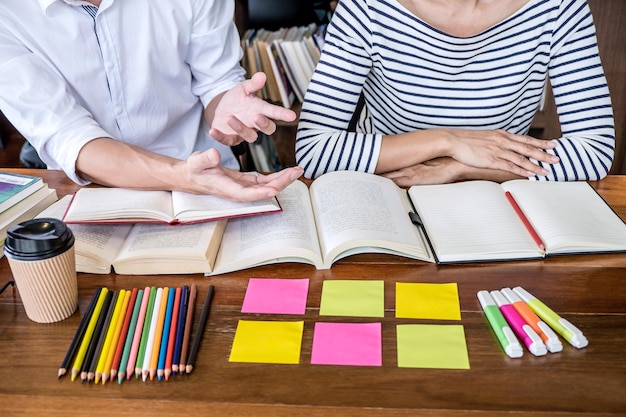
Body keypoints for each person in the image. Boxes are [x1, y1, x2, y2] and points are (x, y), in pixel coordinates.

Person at [0, 0, 303, 202]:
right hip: (90, 196)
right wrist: (182, 175)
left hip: (209, 188)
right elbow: (69, 137)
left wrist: (226, 104)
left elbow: (216, 80)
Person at [296, 0, 615, 185]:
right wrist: (447, 141)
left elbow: (594, 151)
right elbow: (315, 152)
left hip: (499, 190)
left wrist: (462, 167)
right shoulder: (365, 9)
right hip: (389, 186)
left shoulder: (560, 8)